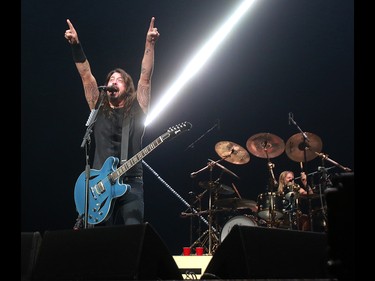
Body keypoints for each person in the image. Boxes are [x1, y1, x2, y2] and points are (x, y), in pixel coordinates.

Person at [65, 17, 160, 227]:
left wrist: (149, 45)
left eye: (119, 80)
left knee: (133, 236)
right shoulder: (98, 108)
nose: (113, 81)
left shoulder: (137, 110)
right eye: (110, 79)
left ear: (127, 88)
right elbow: (85, 75)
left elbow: (145, 77)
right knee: (99, 243)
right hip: (99, 185)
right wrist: (76, 46)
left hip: (131, 183)